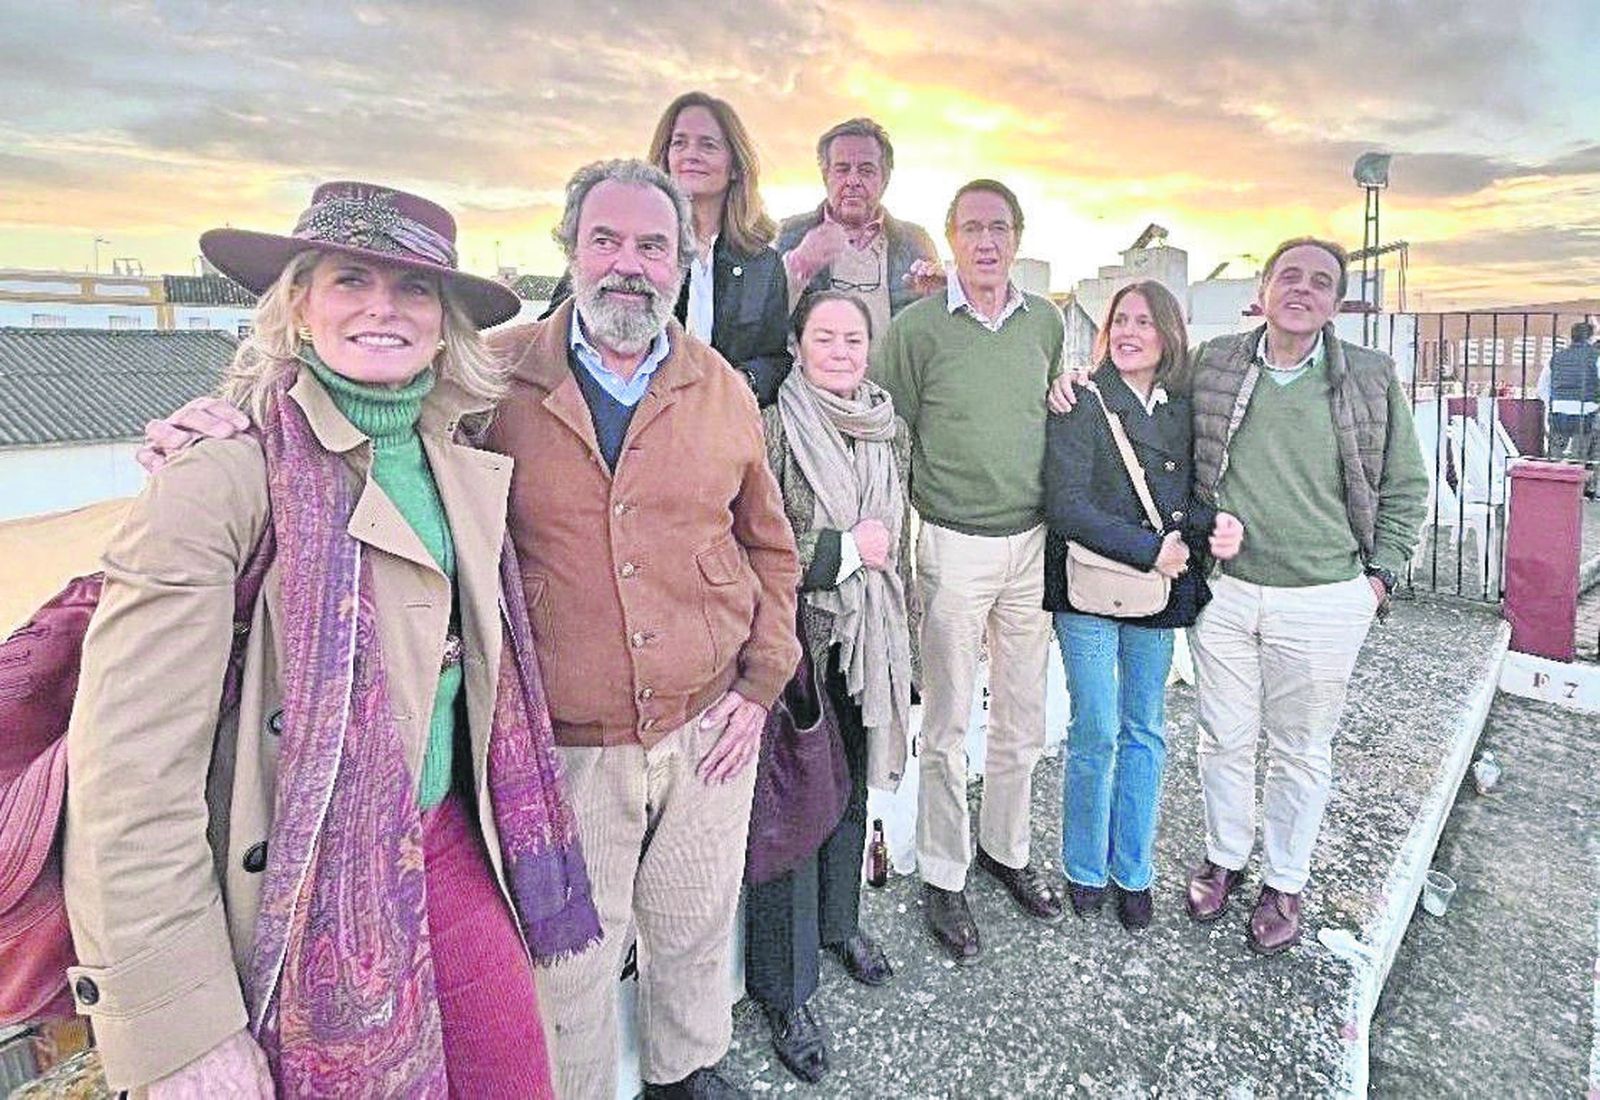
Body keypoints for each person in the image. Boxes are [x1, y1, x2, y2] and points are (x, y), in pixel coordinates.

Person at [62, 182, 599, 1097]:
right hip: (299, 898)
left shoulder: (454, 456)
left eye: (414, 290)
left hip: (447, 848)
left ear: (444, 326)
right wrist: (181, 1030)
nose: (383, 307)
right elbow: (128, 778)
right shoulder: (218, 482)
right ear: (299, 307)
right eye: (351, 279)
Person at [488, 159, 801, 1100]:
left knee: (695, 923)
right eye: (607, 241)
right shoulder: (493, 375)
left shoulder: (719, 388)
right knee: (572, 961)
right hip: (569, 743)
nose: (630, 266)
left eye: (653, 246)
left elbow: (770, 549)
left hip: (710, 726)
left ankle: (687, 1073)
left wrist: (759, 686)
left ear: (684, 261)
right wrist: (235, 416)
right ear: (572, 250)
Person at [1180, 237, 1428, 953]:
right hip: (1225, 594)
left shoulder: (1371, 378)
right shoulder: (1218, 363)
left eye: (1321, 282)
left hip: (1325, 598)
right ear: (1262, 288)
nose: (1303, 289)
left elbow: (1405, 486)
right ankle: (1225, 858)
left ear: (1336, 301)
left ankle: (1285, 879)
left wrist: (1377, 579)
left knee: (1300, 751)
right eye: (1289, 276)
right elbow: (1148, 402)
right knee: (1222, 739)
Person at [872, 179, 1067, 965]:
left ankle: (1005, 851)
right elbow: (892, 433)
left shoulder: (1046, 322)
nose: (987, 242)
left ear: (1017, 238)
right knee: (948, 726)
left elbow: (1053, 404)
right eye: (972, 228)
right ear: (951, 239)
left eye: (1000, 228)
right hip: (951, 545)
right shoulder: (916, 330)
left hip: (1031, 543)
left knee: (1022, 718)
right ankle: (945, 875)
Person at [744, 291, 916, 1083]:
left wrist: (902, 649)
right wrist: (843, 550)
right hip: (796, 644)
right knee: (792, 811)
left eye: (854, 338)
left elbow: (900, 545)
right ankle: (785, 991)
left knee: (850, 799)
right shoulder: (773, 427)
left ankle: (839, 924)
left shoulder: (889, 427)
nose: (842, 351)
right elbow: (751, 534)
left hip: (867, 644)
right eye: (826, 337)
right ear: (798, 343)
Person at [1042, 280, 1243, 931]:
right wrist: (1148, 550)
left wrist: (1214, 531)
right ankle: (1084, 867)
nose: (1129, 332)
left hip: (1159, 594)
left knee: (1145, 731)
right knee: (1096, 728)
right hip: (1088, 589)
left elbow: (1197, 493)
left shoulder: (1183, 410)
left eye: (1144, 322)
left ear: (1168, 335)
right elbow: (1067, 505)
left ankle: (1133, 869)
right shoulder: (1081, 401)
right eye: (1119, 321)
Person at [543, 91, 792, 404]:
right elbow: (554, 330)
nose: (691, 154)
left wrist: (741, 382)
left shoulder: (763, 263)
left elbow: (774, 358)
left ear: (735, 166)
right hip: (626, 419)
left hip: (716, 420)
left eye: (708, 145)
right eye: (679, 142)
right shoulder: (620, 245)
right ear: (665, 159)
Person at [777, 117, 943, 342]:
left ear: (884, 179)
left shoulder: (915, 240)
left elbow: (935, 334)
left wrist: (939, 301)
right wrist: (799, 265)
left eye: (866, 171)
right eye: (842, 169)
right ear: (826, 176)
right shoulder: (789, 235)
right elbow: (759, 323)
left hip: (892, 378)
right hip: (810, 378)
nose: (853, 180)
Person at [1540, 320, 1599, 494]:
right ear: (1590, 337)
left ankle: (1552, 488)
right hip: (1585, 411)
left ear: (1571, 337)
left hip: (1558, 411)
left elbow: (1542, 387)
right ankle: (1575, 491)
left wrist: (1552, 403)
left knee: (1556, 452)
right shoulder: (1596, 356)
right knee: (1578, 454)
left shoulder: (1556, 357)